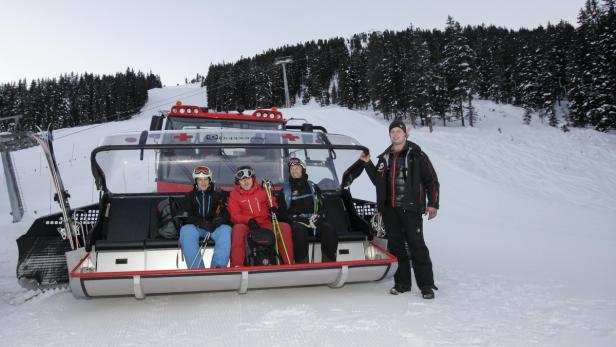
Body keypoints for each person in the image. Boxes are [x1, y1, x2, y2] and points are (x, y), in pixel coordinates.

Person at [360, 119, 440, 299]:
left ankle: (426, 285)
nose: (395, 135)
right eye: (392, 132)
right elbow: (378, 182)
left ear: (405, 134)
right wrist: (368, 163)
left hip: (411, 209)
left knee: (417, 246)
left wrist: (433, 204)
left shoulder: (417, 155)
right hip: (390, 210)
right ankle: (402, 283)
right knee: (396, 247)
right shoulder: (385, 158)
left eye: (398, 131)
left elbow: (431, 181)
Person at [227, 165, 294, 266]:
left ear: (253, 179)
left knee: (284, 227)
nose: (246, 182)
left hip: (264, 222)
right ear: (238, 182)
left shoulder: (263, 190)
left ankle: (288, 263)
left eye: (248, 178)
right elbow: (234, 215)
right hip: (247, 225)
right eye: (242, 180)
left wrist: (274, 208)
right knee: (237, 229)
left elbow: (271, 202)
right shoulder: (234, 195)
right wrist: (248, 220)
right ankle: (237, 266)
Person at [281, 157, 338, 263]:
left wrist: (319, 217)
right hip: (297, 222)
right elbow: (282, 213)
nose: (294, 171)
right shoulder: (286, 190)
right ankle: (302, 264)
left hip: (313, 220)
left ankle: (329, 263)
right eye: (292, 168)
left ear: (303, 169)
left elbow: (323, 208)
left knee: (328, 228)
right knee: (299, 231)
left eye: (297, 168)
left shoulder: (312, 187)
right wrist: (296, 219)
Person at [179, 165, 231, 269]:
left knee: (226, 229)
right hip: (197, 227)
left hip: (213, 227)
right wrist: (200, 223)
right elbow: (186, 215)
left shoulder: (218, 195)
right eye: (200, 180)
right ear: (195, 181)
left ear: (210, 180)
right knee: (186, 230)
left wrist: (219, 220)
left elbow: (226, 213)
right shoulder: (189, 196)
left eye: (206, 179)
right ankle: (196, 268)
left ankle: (218, 266)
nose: (203, 182)